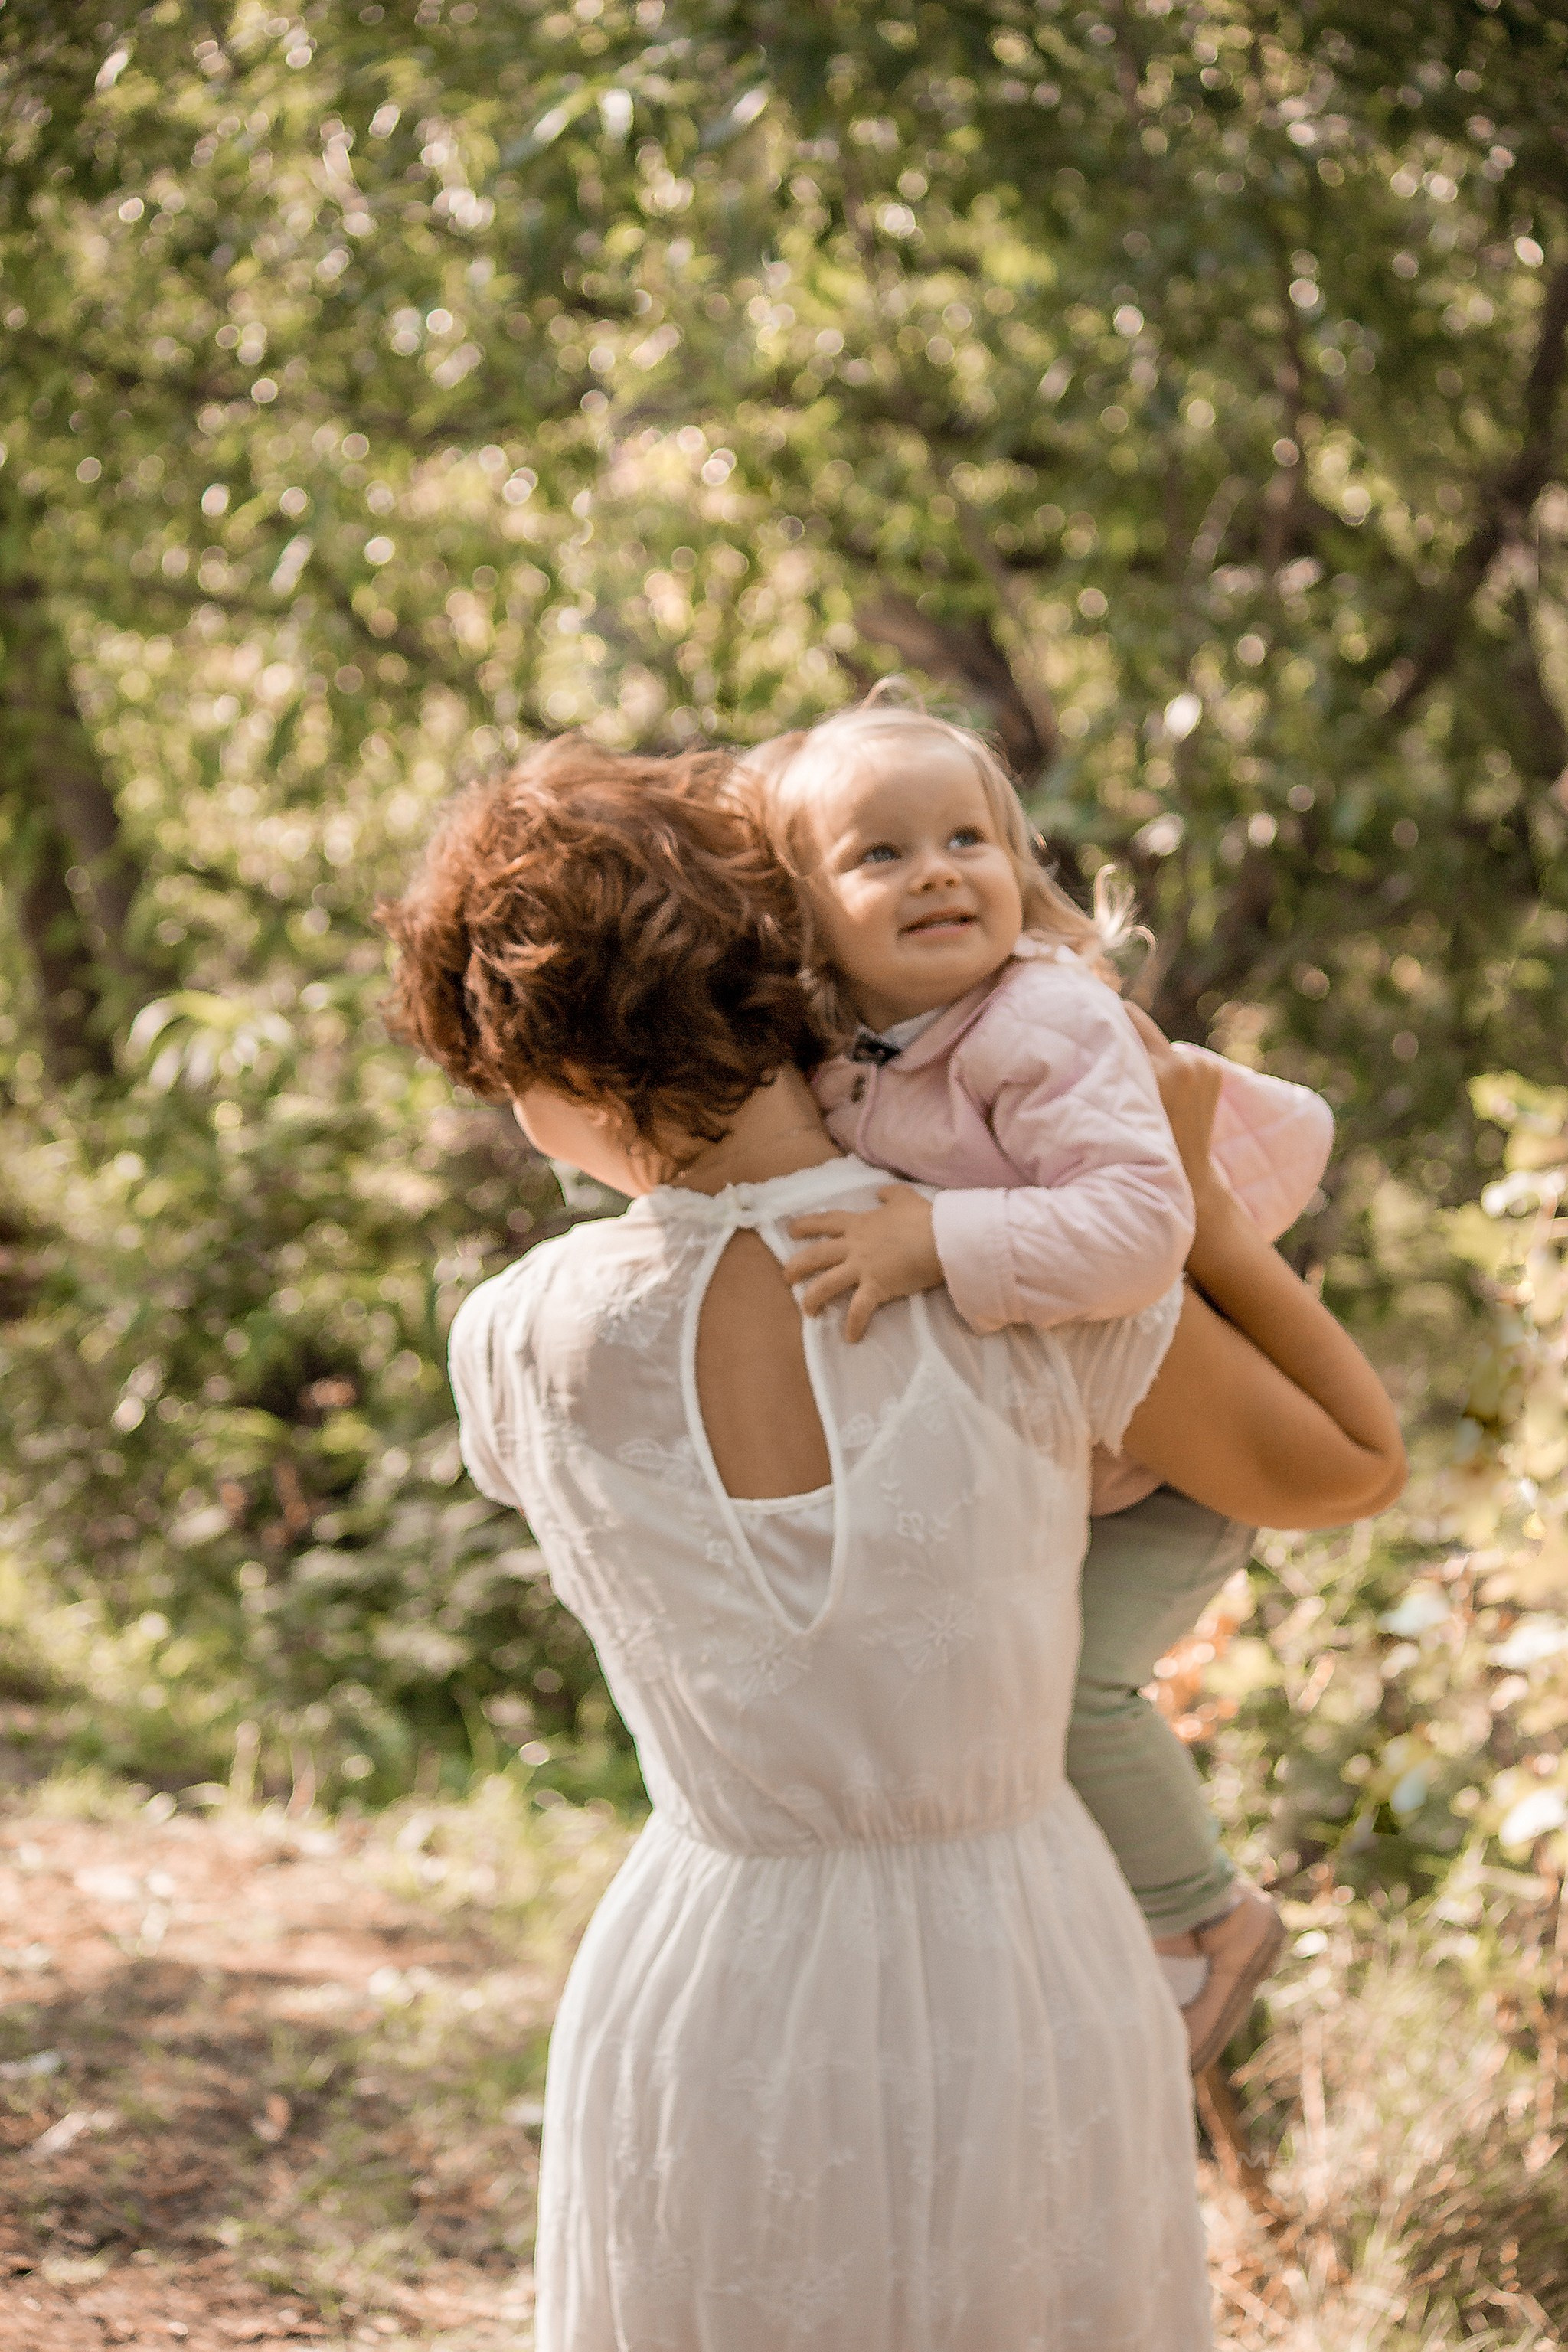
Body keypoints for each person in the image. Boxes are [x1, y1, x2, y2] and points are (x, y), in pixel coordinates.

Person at [381, 739, 1404, 2352]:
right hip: (1021, 1961)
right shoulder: (1010, 1275)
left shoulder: (510, 1342)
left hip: (704, 1979)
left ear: (559, 1073)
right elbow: (1346, 1467)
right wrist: (1193, 1208)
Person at [730, 696, 1335, 2066]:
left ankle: (1210, 1921)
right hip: (1087, 1445)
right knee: (988, 1690)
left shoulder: (1042, 1020)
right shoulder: (848, 1062)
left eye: (967, 838)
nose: (938, 868)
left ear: (1021, 867)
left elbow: (1141, 1227)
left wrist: (934, 1240)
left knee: (1070, 1697)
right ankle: (1098, 1940)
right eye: (879, 855)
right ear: (805, 917)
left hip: (1184, 1462)